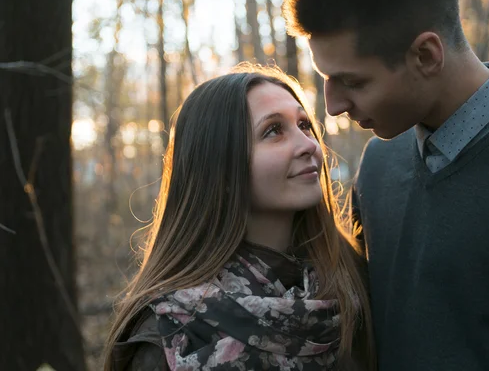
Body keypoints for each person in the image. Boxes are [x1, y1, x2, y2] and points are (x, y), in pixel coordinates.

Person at [283, 0, 489, 370]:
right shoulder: (379, 164)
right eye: (327, 79)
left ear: (426, 55)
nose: (332, 106)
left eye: (352, 82)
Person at [103, 65, 376, 371]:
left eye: (303, 125)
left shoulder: (352, 284)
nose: (309, 145)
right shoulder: (172, 333)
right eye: (274, 130)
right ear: (221, 169)